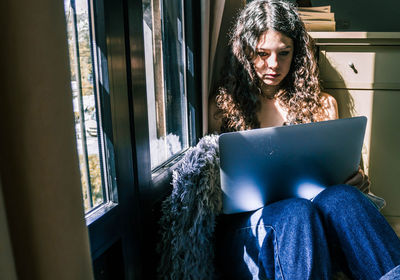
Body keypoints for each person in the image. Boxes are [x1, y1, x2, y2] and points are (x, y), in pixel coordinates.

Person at [208, 0, 400, 279]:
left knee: (343, 197)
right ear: (246, 53)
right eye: (262, 53)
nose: (273, 65)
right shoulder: (225, 106)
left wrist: (357, 182)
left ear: (296, 53)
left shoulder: (321, 105)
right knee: (295, 211)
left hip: (314, 225)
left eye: (283, 53)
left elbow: (347, 174)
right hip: (250, 231)